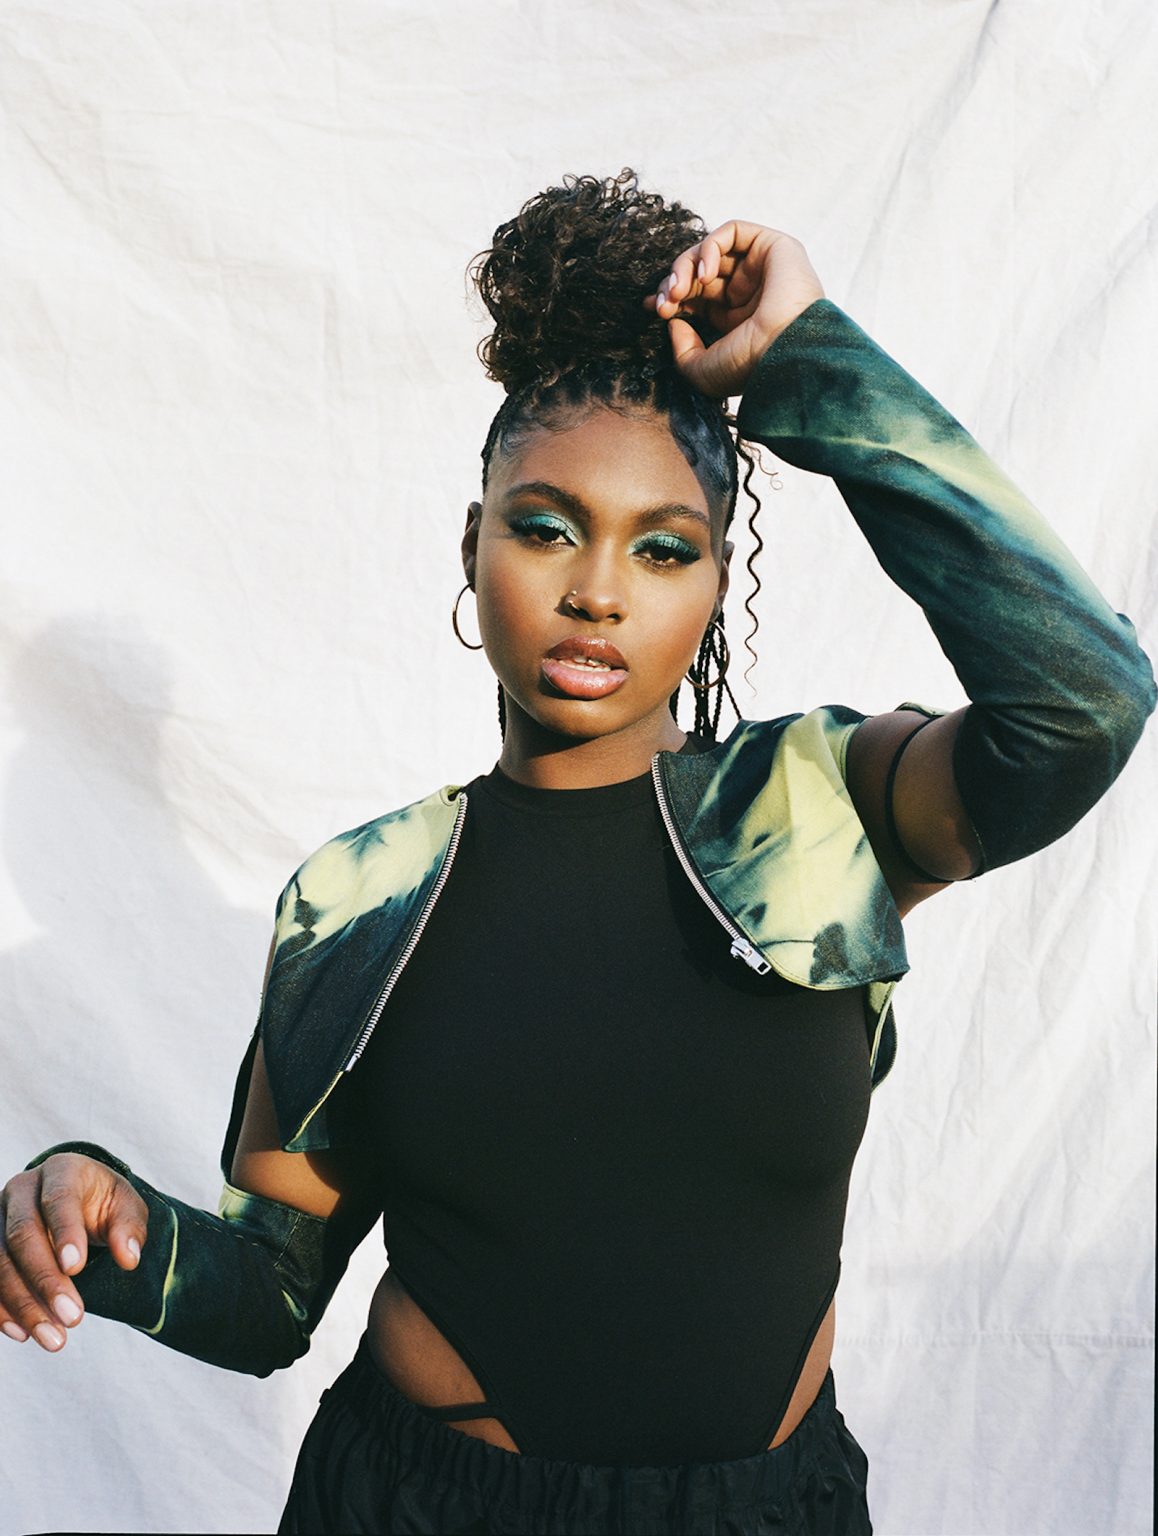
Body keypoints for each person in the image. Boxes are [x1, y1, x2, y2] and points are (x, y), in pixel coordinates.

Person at [1, 169, 1153, 1536]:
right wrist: (97, 1220)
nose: (597, 590)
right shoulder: (364, 893)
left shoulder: (817, 810)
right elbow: (269, 1296)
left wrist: (809, 361)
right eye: (546, 528)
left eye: (663, 551)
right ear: (473, 542)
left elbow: (1085, 700)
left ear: (715, 584)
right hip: (426, 1507)